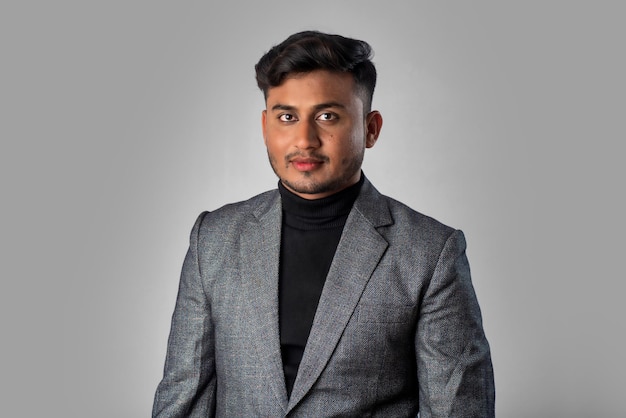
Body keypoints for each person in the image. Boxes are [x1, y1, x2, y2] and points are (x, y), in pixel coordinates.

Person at [152, 30, 495, 417]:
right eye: (287, 117)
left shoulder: (430, 253)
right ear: (266, 127)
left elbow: (458, 411)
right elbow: (183, 399)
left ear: (370, 128)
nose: (305, 139)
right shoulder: (213, 239)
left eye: (327, 116)